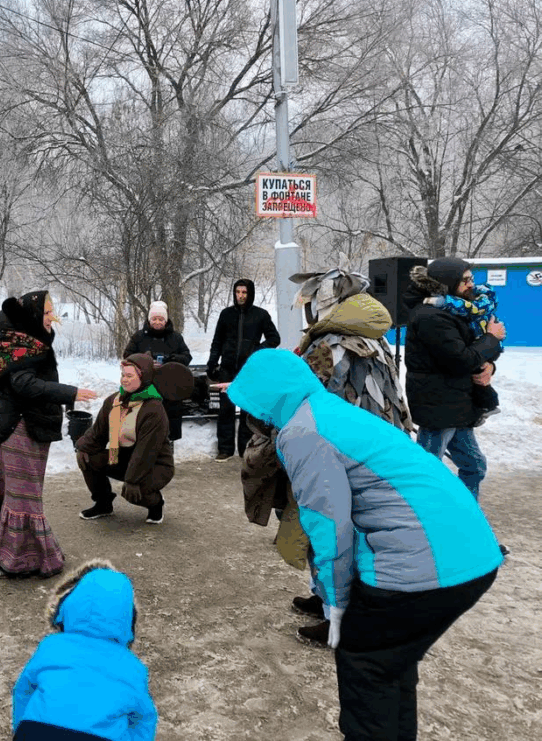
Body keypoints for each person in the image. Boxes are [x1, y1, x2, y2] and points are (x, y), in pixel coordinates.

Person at [227, 349, 503, 741]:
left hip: (422, 565)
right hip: (471, 554)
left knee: (367, 666)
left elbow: (328, 525)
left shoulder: (302, 433)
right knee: (390, 665)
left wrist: (336, 603)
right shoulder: (328, 410)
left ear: (265, 400)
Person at [240, 269, 414, 647]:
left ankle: (341, 613)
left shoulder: (330, 344)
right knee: (344, 528)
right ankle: (324, 597)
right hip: (365, 447)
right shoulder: (371, 337)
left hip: (336, 450)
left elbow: (305, 399)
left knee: (330, 528)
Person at [0, 291, 98, 579]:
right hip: (17, 428)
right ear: (32, 316)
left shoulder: (21, 342)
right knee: (24, 497)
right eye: (46, 312)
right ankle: (16, 561)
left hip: (6, 425)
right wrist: (70, 393)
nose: (52, 317)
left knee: (15, 494)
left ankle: (11, 553)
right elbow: (25, 385)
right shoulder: (24, 347)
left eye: (52, 311)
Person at [12, 559, 158, 741]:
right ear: (129, 619)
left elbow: (23, 690)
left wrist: (21, 729)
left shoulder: (50, 646)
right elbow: (144, 719)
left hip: (36, 732)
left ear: (67, 606)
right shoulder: (133, 667)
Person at [403, 258, 505, 500]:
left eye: (471, 278)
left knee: (474, 466)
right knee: (426, 473)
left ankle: (465, 516)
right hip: (439, 407)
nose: (471, 284)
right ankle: (422, 516)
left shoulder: (456, 310)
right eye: (465, 280)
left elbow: (474, 353)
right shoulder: (431, 317)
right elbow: (462, 359)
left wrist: (489, 365)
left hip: (457, 405)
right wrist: (491, 338)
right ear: (448, 282)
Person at [76, 354, 173, 525]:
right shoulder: (114, 401)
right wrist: (83, 447)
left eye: (129, 376)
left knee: (133, 492)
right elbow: (98, 432)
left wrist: (132, 480)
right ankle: (103, 504)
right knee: (88, 458)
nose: (124, 380)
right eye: (123, 375)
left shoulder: (153, 409)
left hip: (155, 463)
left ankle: (156, 503)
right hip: (124, 457)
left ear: (143, 378)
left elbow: (146, 451)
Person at [205, 278, 280, 460]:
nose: (241, 296)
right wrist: (212, 362)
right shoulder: (226, 314)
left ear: (250, 293)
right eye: (238, 292)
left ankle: (245, 448)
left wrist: (256, 350)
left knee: (248, 409)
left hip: (249, 370)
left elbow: (274, 338)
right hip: (227, 368)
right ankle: (225, 449)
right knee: (226, 409)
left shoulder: (260, 315)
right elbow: (217, 341)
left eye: (244, 292)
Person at [423, 280, 502, 424]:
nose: (470, 285)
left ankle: (488, 405)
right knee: (478, 373)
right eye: (466, 280)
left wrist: (442, 301)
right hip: (483, 343)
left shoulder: (483, 302)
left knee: (478, 373)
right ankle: (483, 407)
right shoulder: (478, 300)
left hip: (485, 342)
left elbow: (468, 307)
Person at [122, 301, 192, 442]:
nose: (157, 322)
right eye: (154, 319)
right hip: (144, 385)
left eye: (161, 319)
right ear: (149, 320)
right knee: (146, 416)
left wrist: (172, 359)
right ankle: (143, 442)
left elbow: (187, 357)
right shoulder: (139, 337)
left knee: (170, 418)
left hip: (170, 385)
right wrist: (145, 360)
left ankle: (169, 443)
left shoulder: (176, 337)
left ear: (165, 321)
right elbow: (127, 356)